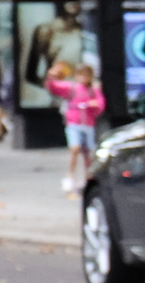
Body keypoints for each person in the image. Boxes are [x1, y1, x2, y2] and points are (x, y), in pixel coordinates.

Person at [44, 61, 105, 193]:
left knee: (88, 153)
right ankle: (70, 175)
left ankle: (88, 178)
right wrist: (51, 76)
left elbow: (100, 104)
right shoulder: (72, 88)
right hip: (74, 123)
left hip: (88, 124)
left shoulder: (94, 89)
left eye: (85, 75)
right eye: (80, 75)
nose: (82, 78)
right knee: (75, 148)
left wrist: (93, 105)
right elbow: (54, 87)